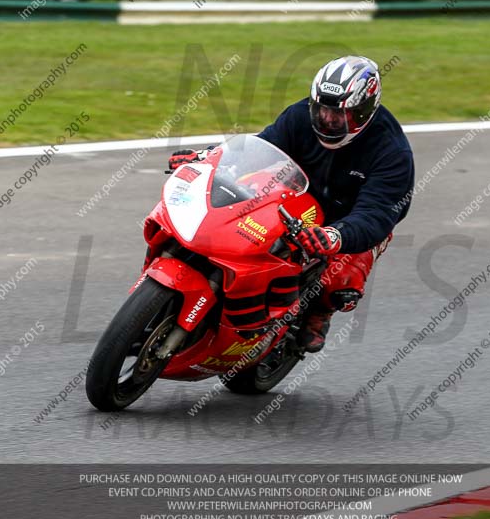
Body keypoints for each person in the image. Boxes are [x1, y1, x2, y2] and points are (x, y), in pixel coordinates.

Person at [168, 55, 415, 352]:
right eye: (322, 110)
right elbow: (261, 147)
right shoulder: (300, 116)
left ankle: (319, 312)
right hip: (295, 194)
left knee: (340, 284)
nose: (328, 120)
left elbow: (377, 214)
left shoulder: (392, 152)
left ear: (363, 112)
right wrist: (207, 158)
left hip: (348, 221)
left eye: (339, 115)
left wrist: (336, 235)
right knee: (231, 207)